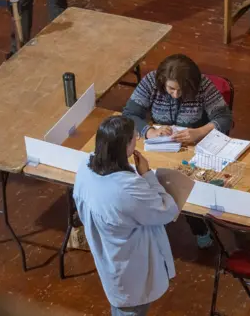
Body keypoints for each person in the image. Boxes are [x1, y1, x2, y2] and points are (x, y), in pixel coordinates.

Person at [122, 53, 232, 248]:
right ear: (163, 81)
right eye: (171, 89)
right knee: (145, 180)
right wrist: (149, 131)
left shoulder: (203, 86)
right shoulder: (150, 82)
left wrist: (199, 131)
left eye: (182, 90)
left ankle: (198, 226)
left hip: (193, 151)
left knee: (185, 185)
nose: (176, 95)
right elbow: (130, 113)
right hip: (159, 150)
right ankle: (153, 223)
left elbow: (224, 118)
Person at [73, 116, 179, 316]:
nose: (137, 140)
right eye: (134, 138)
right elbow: (167, 211)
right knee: (131, 308)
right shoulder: (128, 187)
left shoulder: (86, 165)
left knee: (122, 304)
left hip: (108, 252)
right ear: (125, 146)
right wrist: (147, 175)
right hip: (129, 265)